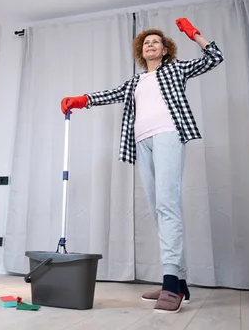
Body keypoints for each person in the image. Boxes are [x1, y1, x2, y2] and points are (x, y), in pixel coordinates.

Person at [61, 18, 224, 314]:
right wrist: (82, 100)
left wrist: (195, 34)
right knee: (158, 209)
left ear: (164, 50)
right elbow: (110, 94)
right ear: (141, 50)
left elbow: (215, 57)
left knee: (167, 205)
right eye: (146, 42)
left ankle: (171, 282)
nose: (150, 45)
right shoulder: (135, 82)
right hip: (141, 142)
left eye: (156, 42)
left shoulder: (175, 70)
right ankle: (181, 281)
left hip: (168, 136)